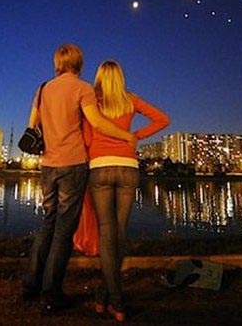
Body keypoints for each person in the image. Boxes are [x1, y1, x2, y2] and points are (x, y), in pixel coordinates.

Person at [22, 44, 138, 314]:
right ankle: (51, 294)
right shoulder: (83, 89)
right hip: (72, 165)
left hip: (47, 165)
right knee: (64, 229)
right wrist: (126, 136)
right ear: (80, 63)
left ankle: (31, 284)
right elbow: (96, 122)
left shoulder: (43, 89)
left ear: (57, 62)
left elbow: (31, 126)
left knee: (48, 223)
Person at [84, 60, 169, 322]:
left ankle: (114, 298)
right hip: (128, 167)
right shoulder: (130, 99)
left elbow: (87, 135)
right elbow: (163, 119)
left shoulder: (92, 100)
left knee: (108, 232)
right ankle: (104, 294)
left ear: (99, 77)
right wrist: (137, 135)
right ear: (121, 77)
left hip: (100, 166)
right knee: (119, 232)